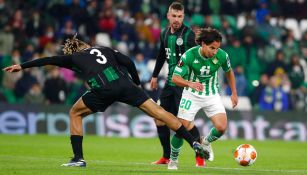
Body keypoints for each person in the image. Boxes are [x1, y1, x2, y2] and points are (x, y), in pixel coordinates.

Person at [2, 35, 205, 167]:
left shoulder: (73, 58)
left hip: (103, 89)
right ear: (85, 45)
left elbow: (47, 61)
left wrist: (22, 65)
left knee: (74, 112)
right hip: (126, 86)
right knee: (161, 114)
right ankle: (193, 142)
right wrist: (137, 83)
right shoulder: (104, 49)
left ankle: (78, 158)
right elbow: (129, 62)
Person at [167, 28, 238, 170]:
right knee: (182, 129)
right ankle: (173, 160)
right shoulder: (189, 56)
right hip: (191, 94)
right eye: (212, 48)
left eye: (217, 48)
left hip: (211, 94)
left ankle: (205, 141)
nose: (215, 52)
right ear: (203, 44)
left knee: (222, 127)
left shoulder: (222, 56)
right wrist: (190, 84)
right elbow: (175, 78)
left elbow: (229, 72)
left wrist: (234, 93)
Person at [150, 2, 204, 166]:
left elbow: (199, 56)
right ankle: (166, 156)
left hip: (184, 85)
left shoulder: (188, 35)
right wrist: (154, 75)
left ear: (183, 17)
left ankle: (200, 155)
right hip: (169, 84)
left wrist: (195, 79)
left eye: (180, 16)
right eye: (174, 16)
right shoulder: (164, 33)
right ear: (168, 16)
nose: (176, 19)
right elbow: (161, 54)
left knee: (185, 123)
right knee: (159, 118)